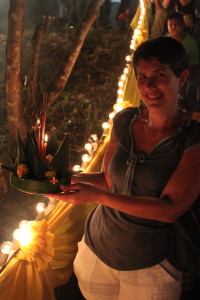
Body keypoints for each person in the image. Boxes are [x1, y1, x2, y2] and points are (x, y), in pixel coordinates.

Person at [47, 37, 200, 300]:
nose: (149, 86)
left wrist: (96, 197)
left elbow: (170, 209)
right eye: (141, 77)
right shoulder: (125, 120)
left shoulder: (192, 139)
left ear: (182, 77)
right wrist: (62, 177)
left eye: (159, 75)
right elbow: (109, 180)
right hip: (96, 252)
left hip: (150, 266)